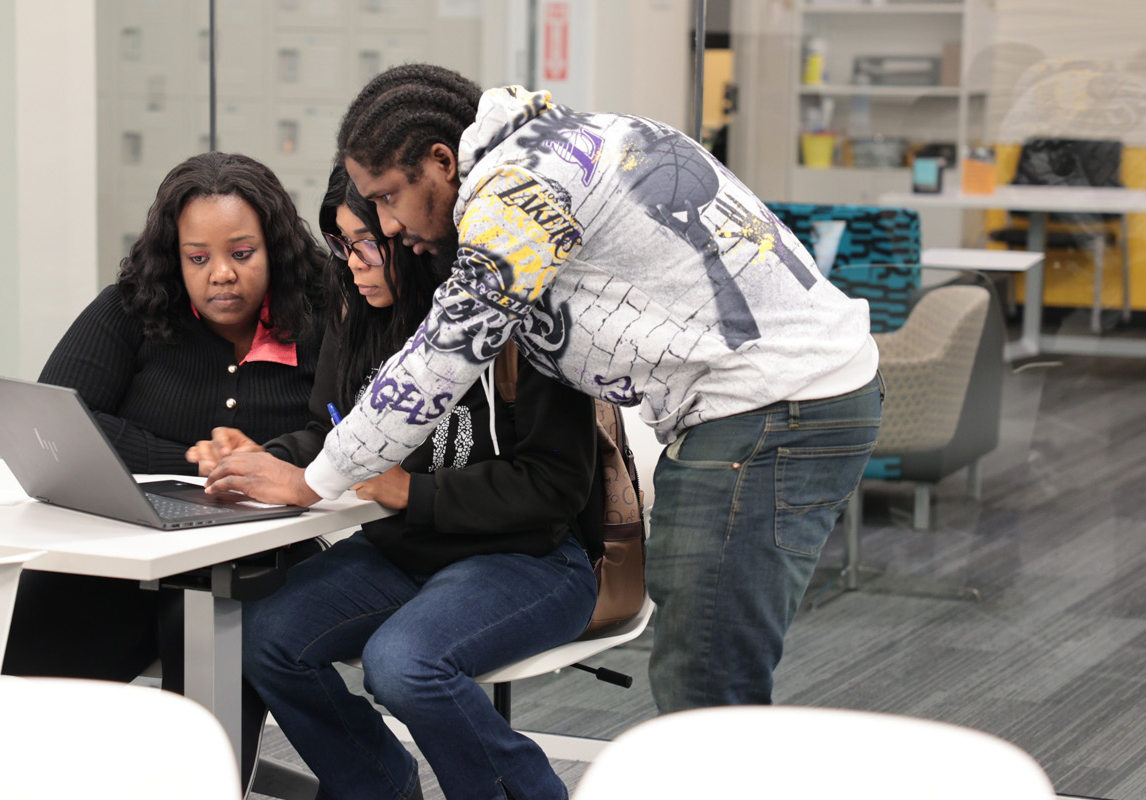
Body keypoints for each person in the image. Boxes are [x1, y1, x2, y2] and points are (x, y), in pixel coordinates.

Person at [206, 65, 883, 714]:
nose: (385, 225)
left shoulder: (513, 197)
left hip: (775, 409)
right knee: (705, 664)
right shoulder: (555, 147)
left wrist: (314, 480)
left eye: (386, 196)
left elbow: (439, 360)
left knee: (705, 674)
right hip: (780, 399)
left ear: (442, 162)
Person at [189, 166, 600, 800]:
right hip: (405, 551)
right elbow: (331, 433)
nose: (352, 263)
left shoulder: (522, 317)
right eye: (341, 245)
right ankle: (378, 785)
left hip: (534, 558)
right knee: (265, 636)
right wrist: (260, 460)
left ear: (410, 240)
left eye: (365, 244)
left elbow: (557, 486)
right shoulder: (359, 318)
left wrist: (412, 492)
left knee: (404, 665)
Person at [2, 151, 327, 699]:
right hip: (122, 558)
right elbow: (52, 424)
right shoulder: (133, 309)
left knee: (213, 670)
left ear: (276, 247)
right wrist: (187, 462)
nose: (220, 273)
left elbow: (349, 431)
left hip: (259, 564)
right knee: (23, 673)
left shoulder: (325, 321)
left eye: (242, 253)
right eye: (197, 258)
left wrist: (271, 457)